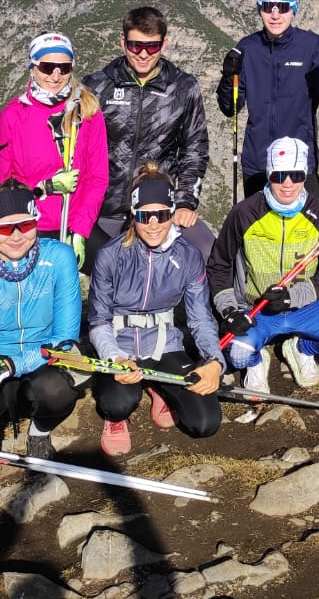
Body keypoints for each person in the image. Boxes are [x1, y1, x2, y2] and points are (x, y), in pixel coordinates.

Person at [208, 138, 319, 391]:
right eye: (279, 175)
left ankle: (300, 347)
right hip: (255, 309)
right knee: (237, 356)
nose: (287, 183)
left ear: (304, 175)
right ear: (269, 174)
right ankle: (256, 360)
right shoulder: (245, 212)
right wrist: (230, 312)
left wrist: (292, 297)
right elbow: (218, 266)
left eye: (295, 175)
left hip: (304, 307)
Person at [0, 182, 83, 488]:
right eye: (3, 227)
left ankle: (39, 433)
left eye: (24, 224)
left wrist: (10, 366)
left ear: (36, 221)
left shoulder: (59, 259)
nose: (15, 235)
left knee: (56, 391)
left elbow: (65, 341)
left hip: (40, 364)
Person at [87, 165, 226, 453]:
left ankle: (156, 385)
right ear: (133, 215)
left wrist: (214, 361)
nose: (153, 224)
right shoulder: (110, 255)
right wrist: (114, 358)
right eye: (143, 215)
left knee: (205, 423)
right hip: (120, 346)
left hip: (165, 344)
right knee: (116, 404)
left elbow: (201, 319)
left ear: (172, 213)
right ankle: (119, 416)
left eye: (162, 214)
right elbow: (99, 320)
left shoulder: (188, 256)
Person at [84, 6, 214, 267]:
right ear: (123, 43)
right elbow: (78, 149)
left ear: (164, 44)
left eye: (152, 47)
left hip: (156, 207)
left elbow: (194, 150)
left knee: (209, 252)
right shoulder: (97, 85)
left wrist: (185, 202)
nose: (143, 54)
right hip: (102, 209)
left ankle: (216, 309)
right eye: (135, 46)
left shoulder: (183, 87)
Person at [215, 0, 319, 201]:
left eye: (283, 7)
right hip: (258, 163)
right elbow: (230, 108)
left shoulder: (312, 46)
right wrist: (228, 79)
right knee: (261, 234)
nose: (275, 14)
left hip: (299, 162)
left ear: (293, 9)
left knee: (313, 234)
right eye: (268, 7)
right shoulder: (248, 48)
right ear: (259, 8)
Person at [0, 32, 109, 267]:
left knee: (115, 268)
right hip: (29, 225)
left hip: (74, 223)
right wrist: (43, 189)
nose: (55, 75)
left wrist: (81, 230)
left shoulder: (88, 112)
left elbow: (97, 177)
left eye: (63, 68)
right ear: (33, 67)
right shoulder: (12, 118)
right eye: (47, 67)